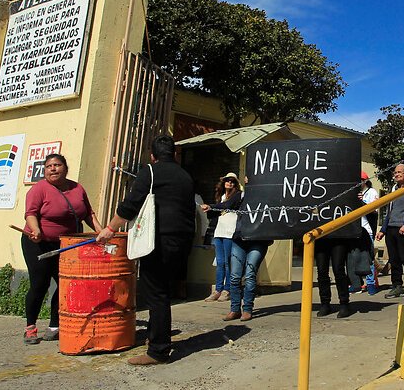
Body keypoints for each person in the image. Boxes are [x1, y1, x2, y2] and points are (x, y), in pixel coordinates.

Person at [97, 135, 195, 365]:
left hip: (158, 240)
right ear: (175, 154)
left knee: (156, 294)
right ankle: (155, 337)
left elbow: (131, 204)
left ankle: (158, 351)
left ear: (152, 155)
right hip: (182, 241)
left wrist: (110, 228)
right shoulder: (185, 176)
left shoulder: (150, 172)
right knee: (163, 291)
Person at [22, 154, 102, 345]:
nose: (53, 169)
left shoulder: (77, 188)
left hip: (67, 245)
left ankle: (55, 325)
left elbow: (88, 214)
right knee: (39, 284)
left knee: (65, 283)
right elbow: (30, 213)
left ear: (65, 168)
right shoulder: (39, 189)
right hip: (38, 242)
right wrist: (36, 230)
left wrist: (101, 231)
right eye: (48, 166)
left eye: (57, 165)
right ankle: (30, 327)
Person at [202, 172, 243, 302]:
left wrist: (211, 207)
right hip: (219, 230)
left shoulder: (237, 195)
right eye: (227, 180)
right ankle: (218, 290)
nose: (229, 183)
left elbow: (227, 206)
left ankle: (227, 289)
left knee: (227, 261)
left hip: (230, 230)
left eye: (232, 181)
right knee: (220, 262)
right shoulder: (221, 195)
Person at [376, 164, 404, 300]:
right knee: (394, 259)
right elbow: (389, 211)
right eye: (395, 172)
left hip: (403, 229)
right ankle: (397, 285)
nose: (396, 174)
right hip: (391, 228)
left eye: (399, 172)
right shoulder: (393, 189)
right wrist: (383, 230)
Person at [352, 172, 380, 295]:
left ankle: (371, 283)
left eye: (361, 179)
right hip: (354, 229)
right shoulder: (354, 192)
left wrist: (361, 201)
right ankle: (356, 283)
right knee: (353, 258)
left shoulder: (372, 192)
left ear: (366, 180)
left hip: (366, 229)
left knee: (368, 257)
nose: (359, 182)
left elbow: (373, 209)